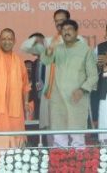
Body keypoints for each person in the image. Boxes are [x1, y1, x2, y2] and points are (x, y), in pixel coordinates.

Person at [21, 10, 85, 145]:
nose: (59, 23)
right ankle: (60, 163)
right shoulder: (50, 41)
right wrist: (36, 40)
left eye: (62, 20)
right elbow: (25, 47)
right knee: (58, 136)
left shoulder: (80, 40)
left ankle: (79, 164)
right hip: (54, 95)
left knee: (76, 135)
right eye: (56, 21)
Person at [41, 20, 98, 147]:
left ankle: (79, 167)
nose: (66, 32)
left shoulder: (86, 50)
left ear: (76, 32)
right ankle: (60, 166)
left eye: (69, 29)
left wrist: (82, 90)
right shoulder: (57, 49)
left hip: (76, 99)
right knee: (59, 138)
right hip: (58, 100)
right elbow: (45, 61)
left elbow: (93, 76)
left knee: (77, 138)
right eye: (64, 29)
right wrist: (49, 50)